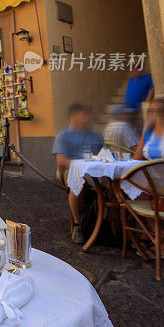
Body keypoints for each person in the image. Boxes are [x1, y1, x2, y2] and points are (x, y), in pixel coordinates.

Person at [133, 98, 164, 261]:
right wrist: (148, 128)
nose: (155, 114)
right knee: (133, 195)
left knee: (139, 197)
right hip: (152, 180)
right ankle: (151, 239)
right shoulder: (148, 133)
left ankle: (160, 244)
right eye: (152, 111)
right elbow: (137, 158)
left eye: (159, 111)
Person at [53, 103, 103, 244]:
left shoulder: (95, 136)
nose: (86, 117)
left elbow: (104, 154)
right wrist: (80, 166)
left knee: (114, 181)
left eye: (87, 114)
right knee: (78, 181)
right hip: (73, 169)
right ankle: (77, 224)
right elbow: (61, 161)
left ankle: (108, 221)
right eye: (83, 114)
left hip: (95, 170)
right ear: (73, 116)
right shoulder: (64, 136)